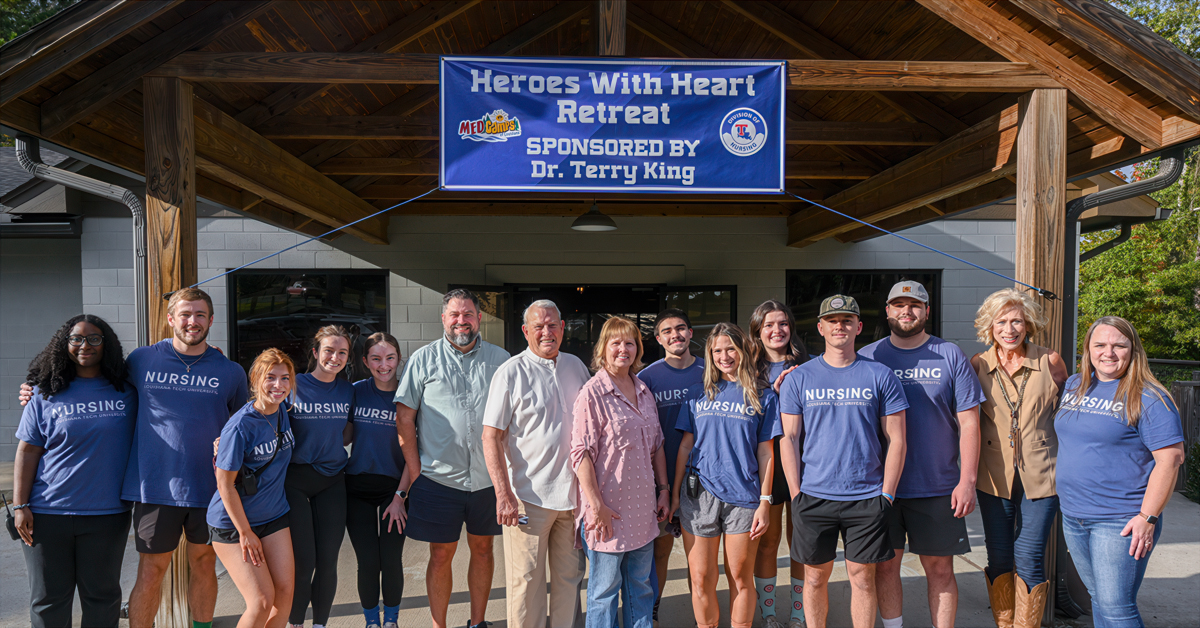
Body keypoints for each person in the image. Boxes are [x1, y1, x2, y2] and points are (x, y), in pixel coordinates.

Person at [20, 287, 249, 628]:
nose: (193, 321)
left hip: (210, 489)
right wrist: (35, 386)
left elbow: (240, 425)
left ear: (212, 320)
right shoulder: (141, 361)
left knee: (203, 564)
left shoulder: (230, 372)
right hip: (153, 487)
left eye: (200, 315)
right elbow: (94, 372)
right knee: (151, 570)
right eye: (185, 314)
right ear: (170, 319)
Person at [858, 282, 985, 628]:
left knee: (941, 570)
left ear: (927, 311)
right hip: (881, 486)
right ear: (887, 311)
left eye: (915, 305)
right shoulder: (869, 356)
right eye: (899, 304)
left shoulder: (950, 355)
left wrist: (967, 481)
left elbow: (970, 423)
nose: (906, 311)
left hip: (938, 485)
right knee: (885, 567)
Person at [778, 295, 908, 628]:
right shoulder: (799, 378)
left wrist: (887, 494)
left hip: (866, 497)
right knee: (815, 578)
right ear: (820, 327)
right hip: (813, 495)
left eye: (847, 320)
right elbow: (789, 439)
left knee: (863, 578)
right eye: (833, 321)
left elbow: (897, 440)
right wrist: (796, 494)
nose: (840, 326)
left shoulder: (880, 375)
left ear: (858, 327)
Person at [1055, 316, 1185, 628]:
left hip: (1121, 520)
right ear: (1088, 349)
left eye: (1118, 345)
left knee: (1116, 606)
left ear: (1133, 350)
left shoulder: (1150, 397)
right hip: (1074, 514)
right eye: (1100, 344)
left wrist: (1148, 517)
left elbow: (1171, 460)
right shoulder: (1075, 384)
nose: (1108, 352)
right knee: (1098, 596)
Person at [394, 288, 510, 628]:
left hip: (487, 479)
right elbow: (404, 418)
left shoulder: (500, 359)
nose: (462, 321)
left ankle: (477, 622)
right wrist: (415, 470)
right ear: (444, 319)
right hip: (438, 479)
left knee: (484, 550)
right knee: (441, 554)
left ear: (479, 318)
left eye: (469, 314)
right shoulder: (423, 360)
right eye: (455, 315)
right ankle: (439, 625)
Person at [13, 315, 136, 628]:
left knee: (102, 598)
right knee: (48, 600)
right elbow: (27, 451)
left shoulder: (127, 391)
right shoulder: (44, 393)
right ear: (64, 345)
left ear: (106, 345)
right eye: (77, 339)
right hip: (47, 514)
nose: (85, 345)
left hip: (107, 515)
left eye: (94, 339)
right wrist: (20, 505)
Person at [482, 300, 590, 628]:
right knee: (525, 582)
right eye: (538, 326)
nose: (547, 332)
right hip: (528, 500)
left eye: (553, 325)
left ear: (563, 327)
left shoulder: (576, 367)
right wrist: (503, 495)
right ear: (526, 331)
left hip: (573, 500)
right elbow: (490, 437)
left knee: (569, 580)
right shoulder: (510, 372)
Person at [970, 288, 1068, 628]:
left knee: (1029, 556)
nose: (1010, 329)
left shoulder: (1049, 360)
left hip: (1042, 475)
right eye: (1002, 322)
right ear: (990, 326)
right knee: (998, 557)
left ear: (1028, 325)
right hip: (992, 475)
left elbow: (1070, 415)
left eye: (1017, 321)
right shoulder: (978, 364)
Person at [671, 322, 779, 628]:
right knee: (701, 577)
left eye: (730, 348)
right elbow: (685, 446)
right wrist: (676, 493)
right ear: (709, 355)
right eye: (717, 350)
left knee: (740, 576)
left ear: (743, 350)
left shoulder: (763, 396)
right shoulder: (697, 394)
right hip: (699, 496)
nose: (724, 356)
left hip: (744, 499)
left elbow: (766, 453)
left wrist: (764, 502)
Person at [571, 315, 670, 628]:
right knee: (603, 592)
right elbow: (581, 454)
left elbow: (656, 447)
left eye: (630, 342)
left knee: (641, 589)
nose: (623, 349)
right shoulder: (592, 393)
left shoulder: (643, 390)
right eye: (616, 342)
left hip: (642, 511)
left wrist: (664, 490)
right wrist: (596, 505)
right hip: (607, 513)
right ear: (604, 348)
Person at [208, 348, 297, 628]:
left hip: (273, 514)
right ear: (256, 378)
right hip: (234, 524)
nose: (278, 385)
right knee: (260, 601)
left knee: (284, 594)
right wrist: (245, 533)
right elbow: (224, 483)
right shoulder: (240, 426)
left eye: (285, 378)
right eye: (270, 378)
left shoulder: (282, 409)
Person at [637, 308, 706, 621]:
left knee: (699, 558)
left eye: (681, 328)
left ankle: (702, 615)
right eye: (667, 330)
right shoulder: (647, 378)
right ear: (658, 338)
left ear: (691, 333)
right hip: (660, 481)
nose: (675, 335)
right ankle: (653, 612)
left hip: (704, 479)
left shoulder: (711, 371)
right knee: (660, 552)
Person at [286, 326, 355, 628]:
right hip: (295, 482)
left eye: (342, 352)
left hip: (332, 480)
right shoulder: (292, 385)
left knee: (327, 561)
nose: (335, 357)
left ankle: (320, 624)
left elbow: (348, 432)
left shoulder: (348, 390)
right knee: (303, 563)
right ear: (315, 352)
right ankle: (296, 622)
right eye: (329, 350)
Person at [748, 300, 809, 628]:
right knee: (768, 541)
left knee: (800, 541)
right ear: (757, 330)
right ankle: (769, 613)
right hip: (766, 468)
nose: (776, 330)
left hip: (804, 466)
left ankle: (799, 614)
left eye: (782, 323)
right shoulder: (746, 368)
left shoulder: (809, 365)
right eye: (769, 325)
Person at [346, 332, 410, 628]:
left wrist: (400, 496)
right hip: (357, 486)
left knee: (390, 559)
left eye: (390, 358)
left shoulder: (409, 395)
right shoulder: (356, 391)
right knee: (368, 561)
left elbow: (415, 456)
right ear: (365, 361)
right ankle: (372, 621)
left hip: (393, 490)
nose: (383, 365)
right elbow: (342, 434)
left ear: (399, 359)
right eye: (376, 358)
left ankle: (392, 621)